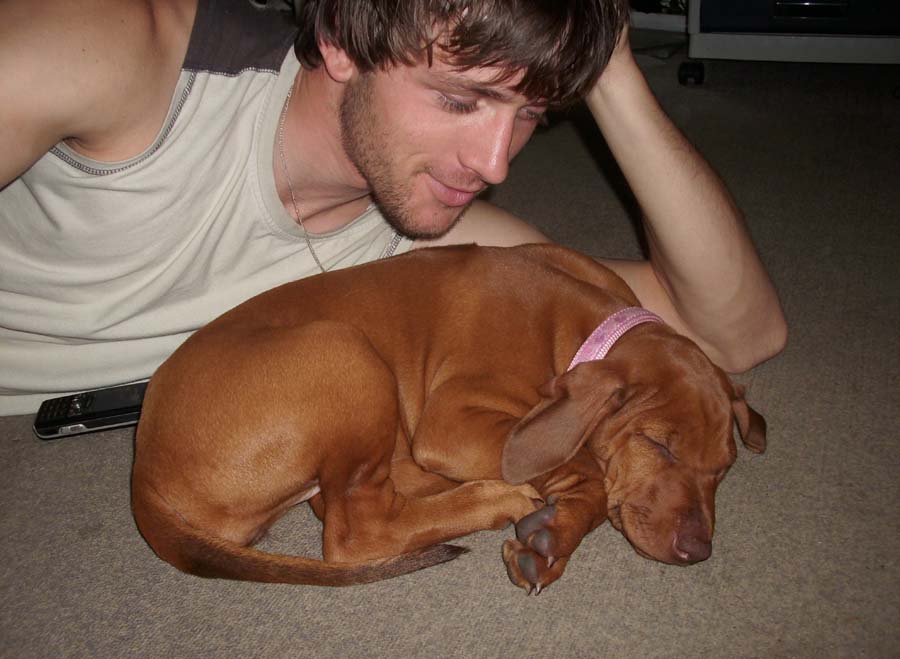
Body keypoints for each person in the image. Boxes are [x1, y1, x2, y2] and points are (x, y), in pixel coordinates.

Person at [0, 0, 786, 416]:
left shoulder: (427, 234)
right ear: (343, 39)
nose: (495, 163)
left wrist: (607, 63)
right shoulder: (115, 48)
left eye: (530, 113)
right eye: (460, 100)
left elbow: (733, 332)